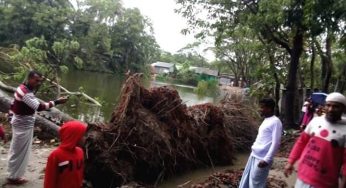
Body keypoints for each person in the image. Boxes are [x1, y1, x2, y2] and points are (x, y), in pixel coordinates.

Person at [7, 70, 68, 185]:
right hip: (23, 126)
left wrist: (11, 117)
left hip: (21, 124)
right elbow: (39, 106)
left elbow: (13, 103)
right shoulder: (26, 93)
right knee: (19, 152)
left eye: (40, 81)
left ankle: (14, 174)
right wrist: (57, 102)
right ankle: (13, 177)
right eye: (36, 80)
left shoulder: (22, 88)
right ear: (29, 78)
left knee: (17, 150)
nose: (38, 83)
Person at [284, 92, 346, 188]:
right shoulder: (315, 121)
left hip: (325, 183)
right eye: (328, 105)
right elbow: (301, 142)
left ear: (343, 108)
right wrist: (291, 162)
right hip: (303, 176)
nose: (330, 109)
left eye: (336, 106)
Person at [239, 98, 283, 188]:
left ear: (269, 108)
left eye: (262, 107)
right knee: (247, 180)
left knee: (256, 184)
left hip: (262, 158)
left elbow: (276, 143)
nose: (260, 109)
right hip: (254, 155)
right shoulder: (266, 120)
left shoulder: (276, 122)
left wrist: (267, 159)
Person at [44, 120, 87, 188]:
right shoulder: (55, 155)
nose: (85, 138)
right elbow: (49, 179)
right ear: (74, 137)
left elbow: (80, 173)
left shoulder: (80, 152)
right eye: (82, 135)